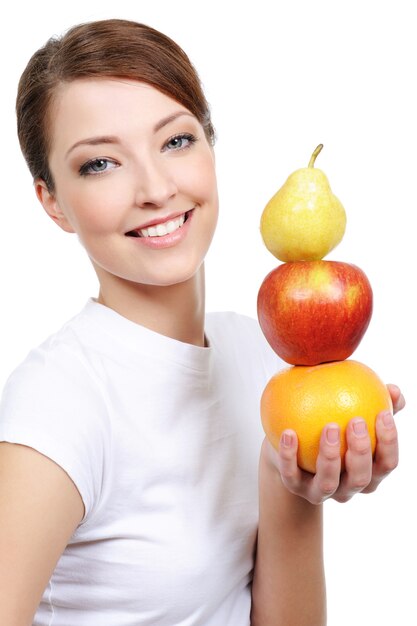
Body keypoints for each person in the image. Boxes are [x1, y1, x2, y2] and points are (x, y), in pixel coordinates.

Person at [0, 18, 405, 626]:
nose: (157, 188)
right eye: (101, 163)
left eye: (176, 141)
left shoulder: (261, 355)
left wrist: (289, 482)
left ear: (210, 147)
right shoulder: (59, 404)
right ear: (53, 201)